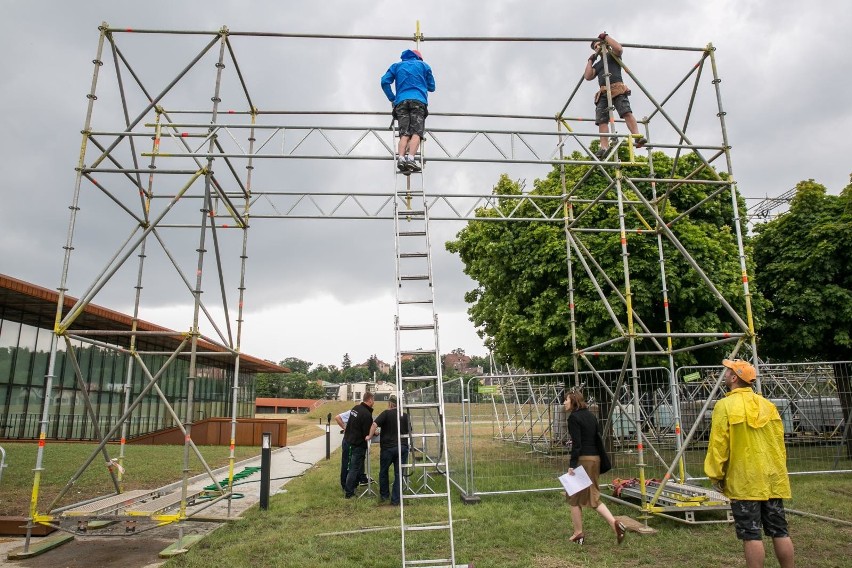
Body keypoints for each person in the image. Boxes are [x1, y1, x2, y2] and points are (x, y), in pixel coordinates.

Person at [705, 359, 795, 568]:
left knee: (751, 534)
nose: (724, 374)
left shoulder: (725, 405)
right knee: (780, 531)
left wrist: (716, 474)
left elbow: (719, 444)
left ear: (734, 378)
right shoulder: (768, 405)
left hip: (745, 481)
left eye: (727, 371)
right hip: (772, 478)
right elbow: (778, 443)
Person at [564, 390, 626, 545]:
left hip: (584, 460)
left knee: (587, 496)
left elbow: (577, 444)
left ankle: (614, 524)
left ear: (573, 401)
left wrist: (572, 465)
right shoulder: (591, 416)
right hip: (595, 459)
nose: (564, 402)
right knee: (577, 496)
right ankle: (578, 533)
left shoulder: (573, 418)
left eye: (566, 400)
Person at [583, 32, 647, 159]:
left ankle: (637, 137)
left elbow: (619, 48)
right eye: (596, 47)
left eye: (599, 45)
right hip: (603, 91)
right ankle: (604, 147)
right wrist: (590, 60)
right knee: (602, 120)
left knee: (626, 112)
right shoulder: (599, 64)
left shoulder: (613, 55)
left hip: (616, 87)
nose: (598, 48)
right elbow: (588, 76)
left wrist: (606, 38)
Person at [381, 48, 436, 173]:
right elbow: (432, 87)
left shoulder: (396, 66)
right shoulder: (424, 65)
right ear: (419, 58)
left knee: (404, 133)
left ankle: (401, 159)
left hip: (401, 102)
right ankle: (410, 158)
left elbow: (384, 81)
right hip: (418, 101)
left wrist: (392, 97)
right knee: (416, 132)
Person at [369, 395, 410, 506]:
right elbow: (410, 431)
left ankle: (384, 495)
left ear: (390, 404)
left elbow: (374, 425)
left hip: (387, 448)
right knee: (399, 474)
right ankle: (396, 500)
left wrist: (369, 436)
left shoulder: (385, 413)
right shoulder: (405, 416)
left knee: (383, 472)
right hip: (402, 447)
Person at [343, 391, 375, 499]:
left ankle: (352, 485)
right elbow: (367, 433)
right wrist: (374, 432)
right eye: (373, 400)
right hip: (358, 445)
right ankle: (349, 492)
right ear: (370, 400)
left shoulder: (355, 408)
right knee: (354, 468)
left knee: (350, 466)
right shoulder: (366, 414)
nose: (373, 402)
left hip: (348, 440)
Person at [335, 408, 368, 490]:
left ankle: (355, 483)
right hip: (348, 441)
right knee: (347, 464)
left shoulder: (362, 414)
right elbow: (337, 417)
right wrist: (345, 428)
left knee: (357, 463)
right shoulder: (352, 412)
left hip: (356, 442)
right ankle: (345, 485)